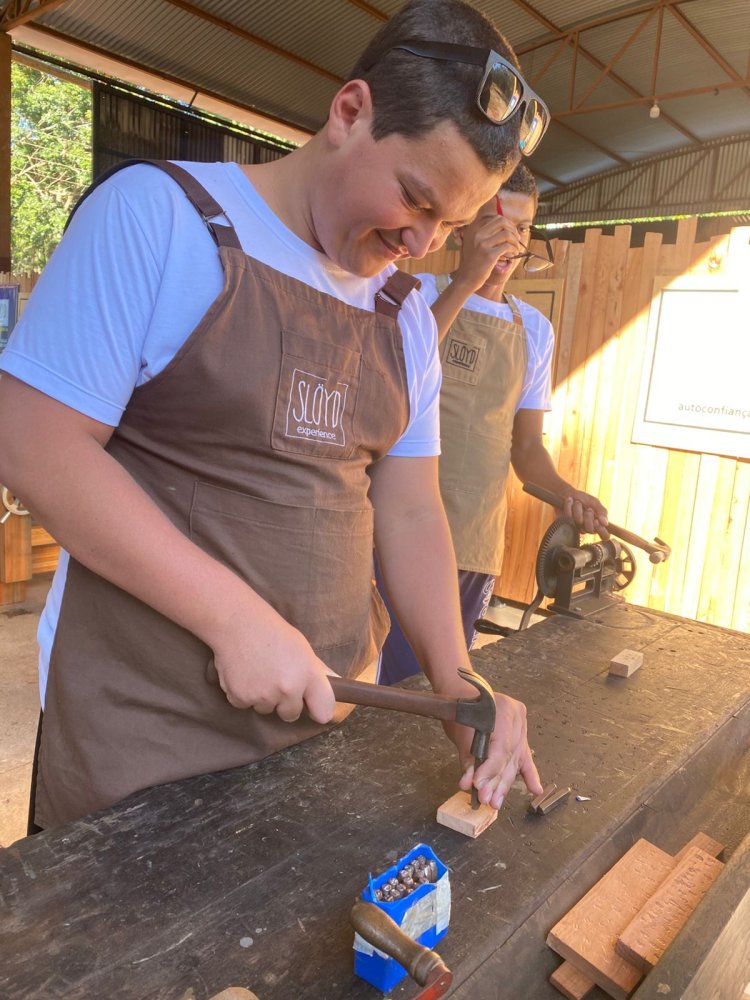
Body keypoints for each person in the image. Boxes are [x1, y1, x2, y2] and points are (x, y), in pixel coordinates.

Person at [0, 0, 551, 830]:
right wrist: (232, 618)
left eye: (454, 224)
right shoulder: (162, 217)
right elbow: (33, 441)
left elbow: (407, 508)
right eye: (416, 198)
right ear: (350, 112)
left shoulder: (405, 317)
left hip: (321, 730)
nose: (424, 244)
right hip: (141, 738)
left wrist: (455, 681)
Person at [377, 164, 608, 685]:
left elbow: (526, 447)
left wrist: (565, 489)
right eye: (493, 223)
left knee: (444, 680)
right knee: (378, 677)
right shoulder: (413, 295)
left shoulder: (534, 331)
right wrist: (466, 282)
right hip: (392, 528)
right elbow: (394, 372)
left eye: (522, 228)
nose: (509, 240)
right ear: (460, 225)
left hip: (473, 537)